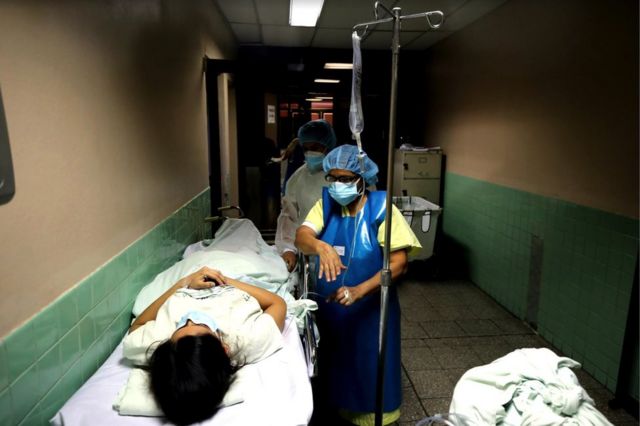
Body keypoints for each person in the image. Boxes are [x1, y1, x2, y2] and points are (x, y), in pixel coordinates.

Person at [295, 144, 421, 426]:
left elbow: (399, 263)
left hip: (372, 312)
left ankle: (375, 416)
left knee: (370, 367)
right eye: (333, 178)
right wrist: (320, 246)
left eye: (346, 179)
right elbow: (301, 236)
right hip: (332, 308)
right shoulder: (326, 206)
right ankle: (339, 410)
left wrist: (359, 291)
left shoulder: (381, 208)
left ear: (362, 179)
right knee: (337, 364)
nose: (338, 185)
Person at [122, 266, 286, 425]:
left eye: (181, 326)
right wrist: (222, 279)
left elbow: (137, 326)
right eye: (202, 326)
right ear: (224, 348)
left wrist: (185, 282)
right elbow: (277, 303)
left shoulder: (155, 344)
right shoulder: (246, 339)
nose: (191, 319)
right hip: (230, 278)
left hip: (186, 278)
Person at [275, 119, 337, 272]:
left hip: (342, 248)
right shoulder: (297, 178)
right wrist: (288, 249)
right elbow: (288, 217)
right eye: (306, 148)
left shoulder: (346, 176)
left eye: (315, 147)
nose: (310, 153)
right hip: (308, 249)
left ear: (329, 146)